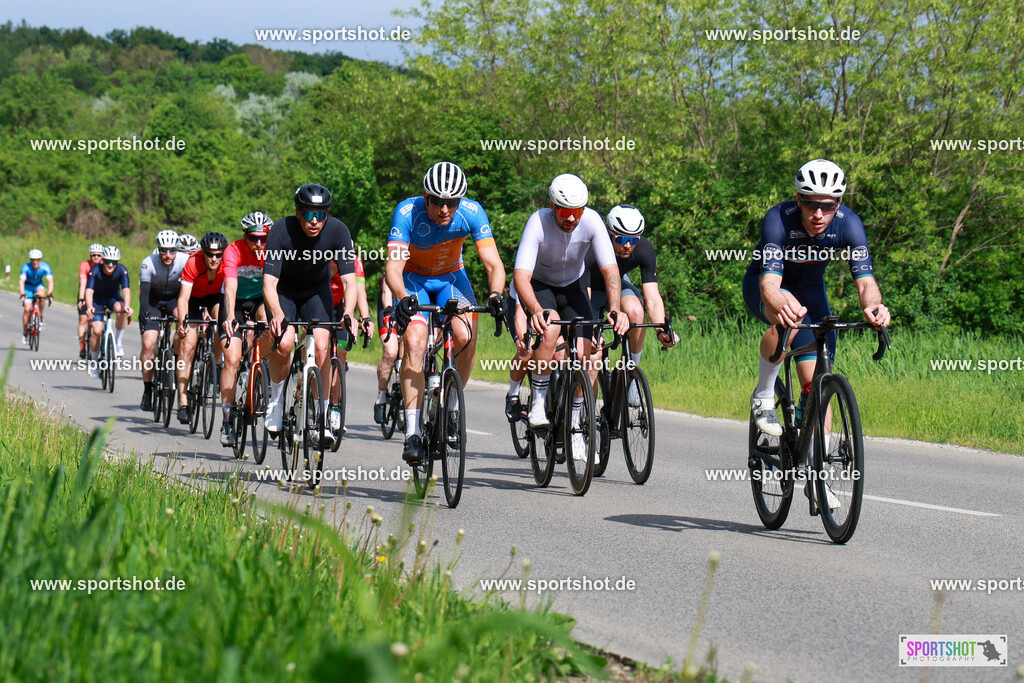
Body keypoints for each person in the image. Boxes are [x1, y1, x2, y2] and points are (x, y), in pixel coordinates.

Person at [743, 159, 890, 510]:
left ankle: (816, 478)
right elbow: (769, 283)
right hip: (767, 285)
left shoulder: (849, 225)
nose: (819, 213)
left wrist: (873, 307)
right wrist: (779, 301)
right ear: (798, 199)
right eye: (811, 203)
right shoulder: (779, 219)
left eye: (828, 205)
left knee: (817, 385)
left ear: (838, 204)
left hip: (811, 291)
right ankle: (764, 395)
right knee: (787, 319)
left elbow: (866, 282)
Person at [387, 161, 507, 465]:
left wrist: (495, 294)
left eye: (451, 202)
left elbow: (493, 263)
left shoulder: (471, 212)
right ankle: (413, 432)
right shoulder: (407, 212)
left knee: (466, 335)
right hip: (414, 279)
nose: (444, 209)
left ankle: (452, 405)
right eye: (438, 201)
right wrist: (402, 297)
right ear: (426, 196)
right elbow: (393, 266)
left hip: (452, 278)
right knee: (414, 341)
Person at [510, 174, 629, 462]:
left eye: (577, 212)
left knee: (589, 355)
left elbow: (611, 272)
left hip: (573, 287)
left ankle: (575, 426)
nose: (572, 219)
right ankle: (538, 402)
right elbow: (521, 277)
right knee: (550, 330)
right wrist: (536, 310)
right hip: (541, 286)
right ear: (552, 206)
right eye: (565, 212)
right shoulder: (537, 222)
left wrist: (615, 308)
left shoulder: (591, 221)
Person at [263, 183, 358, 448]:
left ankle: (323, 415)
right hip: (285, 291)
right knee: (283, 343)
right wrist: (277, 314)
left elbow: (351, 281)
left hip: (317, 291)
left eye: (321, 215)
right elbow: (269, 283)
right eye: (307, 214)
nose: (314, 221)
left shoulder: (339, 231)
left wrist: (349, 312)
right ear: (297, 212)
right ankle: (277, 399)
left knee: (323, 347)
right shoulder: (281, 230)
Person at [584, 204, 678, 405]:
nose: (628, 245)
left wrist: (662, 329)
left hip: (619, 284)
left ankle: (630, 375)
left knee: (636, 311)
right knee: (592, 353)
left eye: (633, 240)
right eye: (622, 239)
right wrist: (590, 326)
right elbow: (583, 293)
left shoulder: (644, 249)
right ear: (609, 234)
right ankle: (584, 411)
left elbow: (652, 297)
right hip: (589, 287)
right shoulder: (593, 246)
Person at [218, 212, 272, 446]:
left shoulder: (273, 252)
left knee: (271, 326)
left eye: (263, 238)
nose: (259, 243)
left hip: (260, 299)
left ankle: (263, 369)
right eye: (253, 238)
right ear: (245, 237)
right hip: (235, 303)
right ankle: (228, 419)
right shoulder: (233, 251)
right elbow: (230, 288)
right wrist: (230, 316)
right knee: (231, 359)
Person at [175, 232, 227, 424]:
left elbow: (230, 292)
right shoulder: (193, 263)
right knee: (187, 347)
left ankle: (218, 362)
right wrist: (183, 322)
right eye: (209, 254)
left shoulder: (227, 263)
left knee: (222, 323)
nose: (214, 259)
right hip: (194, 298)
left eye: (218, 255)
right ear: (203, 253)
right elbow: (183, 298)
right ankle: (183, 401)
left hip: (215, 297)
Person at [138, 230, 189, 411]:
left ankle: (175, 359)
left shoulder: (185, 261)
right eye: (163, 250)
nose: (168, 255)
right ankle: (148, 388)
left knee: (183, 326)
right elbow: (144, 294)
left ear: (177, 249)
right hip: (153, 302)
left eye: (172, 250)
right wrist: (143, 314)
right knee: (149, 344)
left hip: (174, 301)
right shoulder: (148, 263)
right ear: (158, 249)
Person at [328, 254, 373, 435]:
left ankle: (334, 408)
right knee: (313, 349)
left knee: (340, 355)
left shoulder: (354, 261)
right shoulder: (319, 256)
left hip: (341, 307)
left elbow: (360, 291)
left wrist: (366, 317)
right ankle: (302, 380)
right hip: (319, 303)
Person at [84, 246, 132, 378]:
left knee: (120, 309)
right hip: (97, 301)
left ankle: (117, 343)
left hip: (113, 298)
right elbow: (89, 291)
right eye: (108, 262)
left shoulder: (122, 270)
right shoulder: (95, 270)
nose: (110, 265)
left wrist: (127, 305)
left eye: (114, 262)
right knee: (97, 331)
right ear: (103, 261)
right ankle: (94, 363)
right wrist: (89, 307)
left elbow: (126, 290)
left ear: (117, 263)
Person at [373, 275, 400, 425]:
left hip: (412, 306)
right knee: (390, 352)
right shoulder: (400, 253)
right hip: (389, 303)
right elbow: (386, 287)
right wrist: (389, 311)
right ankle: (381, 397)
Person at [19, 249, 54, 345]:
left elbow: (50, 281)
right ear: (31, 260)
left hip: (38, 285)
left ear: (40, 260)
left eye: (37, 260)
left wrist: (50, 293)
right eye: (33, 260)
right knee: (27, 309)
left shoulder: (45, 267)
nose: (35, 262)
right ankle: (25, 333)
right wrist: (22, 293)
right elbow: (21, 281)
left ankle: (41, 316)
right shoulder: (26, 267)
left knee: (42, 296)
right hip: (28, 287)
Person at [77, 244, 104, 358]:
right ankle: (82, 347)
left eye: (98, 255)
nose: (96, 257)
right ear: (90, 256)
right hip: (86, 292)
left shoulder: (105, 265)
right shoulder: (85, 265)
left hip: (99, 294)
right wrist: (81, 299)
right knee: (83, 319)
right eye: (93, 255)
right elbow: (83, 283)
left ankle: (103, 345)